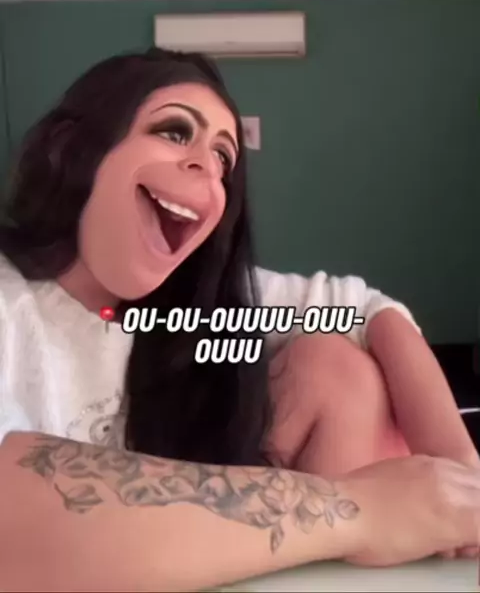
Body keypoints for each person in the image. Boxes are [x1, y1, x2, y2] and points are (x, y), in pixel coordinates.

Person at [0, 48, 478, 589]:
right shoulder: (12, 305)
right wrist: (359, 511)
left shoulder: (203, 302)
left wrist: (460, 468)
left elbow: (369, 311)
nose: (208, 166)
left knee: (332, 364)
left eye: (224, 158)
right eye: (175, 131)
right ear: (71, 149)